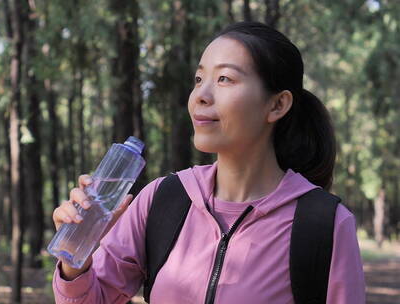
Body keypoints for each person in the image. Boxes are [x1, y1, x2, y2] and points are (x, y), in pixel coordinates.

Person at [50, 21, 366, 304]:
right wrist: (76, 263)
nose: (201, 94)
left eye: (225, 78)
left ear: (277, 104)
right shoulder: (162, 199)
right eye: (199, 78)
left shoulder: (326, 224)